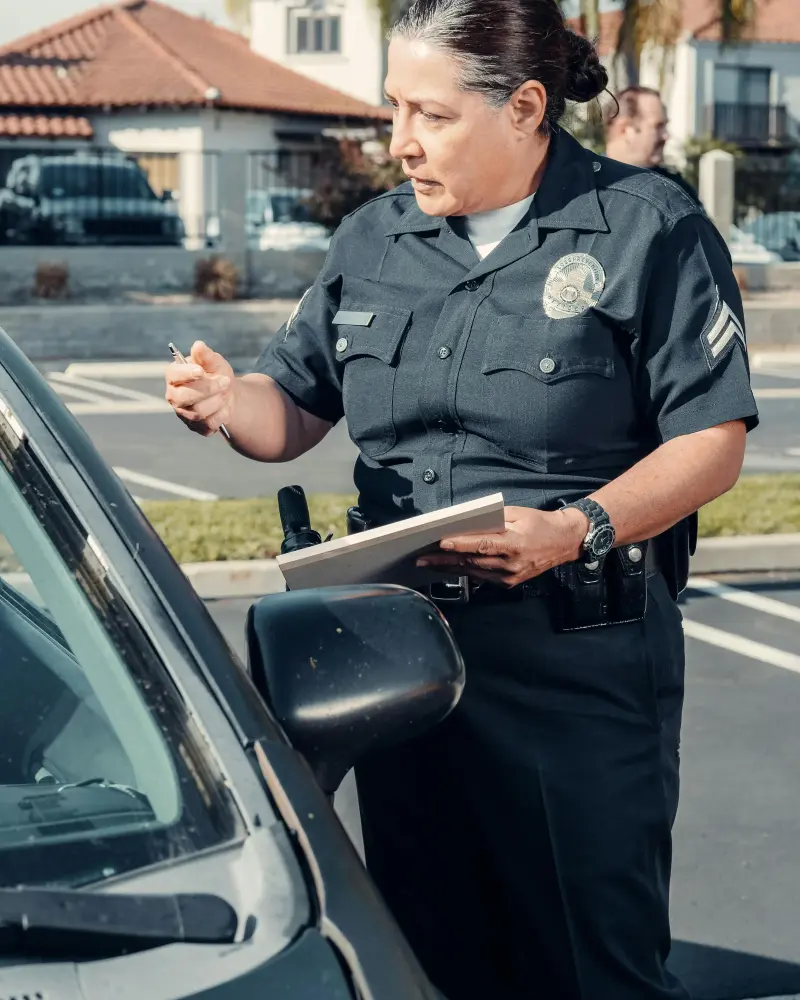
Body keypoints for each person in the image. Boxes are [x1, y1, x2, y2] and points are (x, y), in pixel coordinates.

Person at [164, 0, 758, 996]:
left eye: (430, 115)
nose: (400, 141)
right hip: (399, 669)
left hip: (572, 663)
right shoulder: (373, 239)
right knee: (429, 957)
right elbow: (292, 411)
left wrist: (574, 528)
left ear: (523, 107)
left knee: (589, 964)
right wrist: (228, 403)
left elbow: (711, 440)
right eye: (394, 108)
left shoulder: (646, 228)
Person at [604, 84, 700, 201]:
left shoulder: (677, 191)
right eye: (658, 126)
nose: (666, 136)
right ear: (624, 129)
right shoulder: (587, 187)